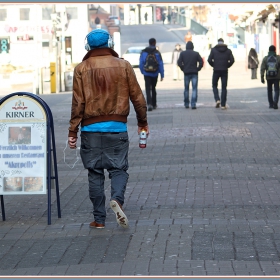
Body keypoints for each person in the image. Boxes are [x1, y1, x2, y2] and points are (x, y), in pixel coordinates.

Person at [68, 29, 149, 229]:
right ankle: (117, 200)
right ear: (110, 44)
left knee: (94, 173)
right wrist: (142, 122)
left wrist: (72, 132)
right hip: (117, 128)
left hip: (90, 131)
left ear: (88, 46)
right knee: (119, 169)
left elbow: (77, 103)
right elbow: (138, 98)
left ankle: (99, 220)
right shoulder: (124, 66)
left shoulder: (81, 69)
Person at [207, 38, 235, 109]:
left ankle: (217, 99)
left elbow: (209, 60)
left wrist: (214, 65)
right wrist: (227, 65)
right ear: (223, 42)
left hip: (216, 70)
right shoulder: (228, 51)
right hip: (224, 70)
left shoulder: (213, 50)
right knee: (224, 87)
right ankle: (223, 104)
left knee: (214, 85)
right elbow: (232, 60)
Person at [139, 37, 164, 111]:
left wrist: (142, 71)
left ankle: (149, 104)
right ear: (155, 43)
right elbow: (160, 64)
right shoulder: (157, 52)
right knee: (153, 88)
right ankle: (154, 104)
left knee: (147, 89)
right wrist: (162, 74)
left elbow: (141, 63)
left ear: (149, 43)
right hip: (155, 73)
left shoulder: (144, 52)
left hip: (146, 73)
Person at [177, 41, 203, 109]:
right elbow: (201, 61)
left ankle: (186, 103)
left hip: (186, 73)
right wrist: (198, 68)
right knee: (194, 89)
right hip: (194, 72)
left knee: (186, 89)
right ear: (192, 47)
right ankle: (193, 104)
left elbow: (179, 62)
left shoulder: (183, 53)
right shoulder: (196, 53)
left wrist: (183, 68)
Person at [260, 45, 280, 109]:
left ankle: (271, 104)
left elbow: (262, 68)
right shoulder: (278, 58)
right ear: (275, 50)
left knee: (269, 91)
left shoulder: (266, 58)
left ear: (269, 50)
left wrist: (262, 77)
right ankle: (275, 102)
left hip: (269, 77)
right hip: (277, 77)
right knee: (276, 90)